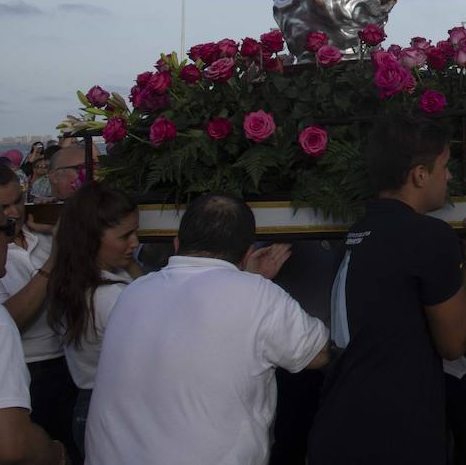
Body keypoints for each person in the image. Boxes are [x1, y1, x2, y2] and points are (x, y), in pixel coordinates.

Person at [85, 195, 327, 465]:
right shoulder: (258, 295)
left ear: (176, 245)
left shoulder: (133, 292)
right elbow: (316, 355)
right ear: (248, 253)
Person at [309, 117, 466, 464]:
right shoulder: (429, 236)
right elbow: (455, 345)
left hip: (337, 425)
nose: (450, 177)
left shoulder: (358, 230)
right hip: (393, 434)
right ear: (420, 175)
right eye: (444, 166)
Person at [0, 165, 75, 461]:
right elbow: (7, 319)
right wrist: (52, 264)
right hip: (25, 373)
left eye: (18, 200)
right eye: (3, 206)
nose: (14, 212)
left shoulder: (44, 235)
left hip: (64, 366)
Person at [44, 184, 140, 454]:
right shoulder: (113, 297)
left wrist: (128, 261)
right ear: (91, 238)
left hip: (88, 404)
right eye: (125, 236)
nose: (135, 243)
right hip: (116, 409)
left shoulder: (74, 283)